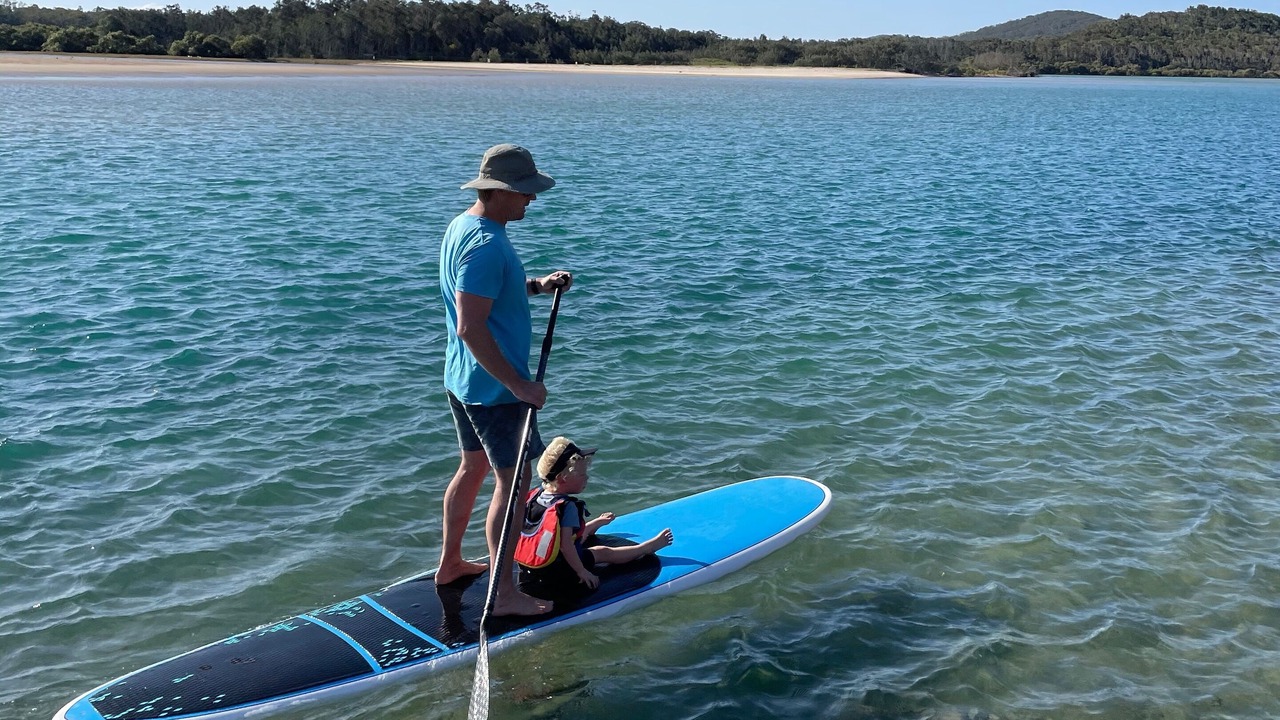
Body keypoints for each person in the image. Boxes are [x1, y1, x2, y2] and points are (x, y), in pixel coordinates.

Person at [436, 143, 573, 617]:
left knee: (471, 469)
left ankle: (451, 564)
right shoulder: (486, 244)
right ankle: (503, 593)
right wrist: (519, 385)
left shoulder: (465, 226)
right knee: (511, 486)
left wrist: (537, 285)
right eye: (522, 192)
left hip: (463, 380)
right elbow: (470, 326)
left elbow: (484, 297)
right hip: (494, 389)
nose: (530, 200)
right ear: (495, 193)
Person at [515, 437, 674, 603]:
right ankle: (645, 548)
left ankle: (593, 525)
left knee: (568, 536)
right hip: (559, 569)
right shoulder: (566, 506)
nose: (587, 478)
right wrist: (582, 572)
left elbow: (554, 536)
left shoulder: (535, 496)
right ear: (564, 478)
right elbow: (565, 546)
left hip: (533, 568)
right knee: (602, 552)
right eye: (583, 475)